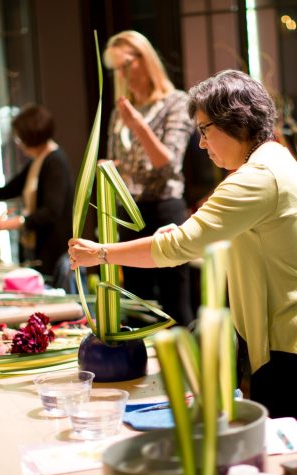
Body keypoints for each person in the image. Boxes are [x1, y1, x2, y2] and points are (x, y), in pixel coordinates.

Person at [69, 69, 297, 435]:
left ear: (235, 120)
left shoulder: (257, 176)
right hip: (295, 330)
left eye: (204, 130)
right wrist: (186, 234)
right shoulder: (272, 161)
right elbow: (232, 238)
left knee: (283, 451)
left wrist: (101, 252)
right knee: (277, 445)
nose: (201, 144)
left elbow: (177, 248)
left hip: (294, 335)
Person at [103, 30, 195, 327]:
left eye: (126, 65)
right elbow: (117, 159)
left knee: (174, 305)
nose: (122, 74)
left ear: (145, 60)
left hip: (163, 209)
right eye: (116, 68)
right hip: (129, 212)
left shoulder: (176, 102)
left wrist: (139, 126)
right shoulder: (121, 111)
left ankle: (183, 371)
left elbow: (169, 165)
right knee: (136, 304)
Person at [0, 104, 74, 283]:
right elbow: (3, 192)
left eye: (19, 137)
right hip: (36, 250)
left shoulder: (55, 162)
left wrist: (15, 222)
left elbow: (52, 211)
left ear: (31, 136)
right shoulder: (37, 161)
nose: (18, 142)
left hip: (52, 251)